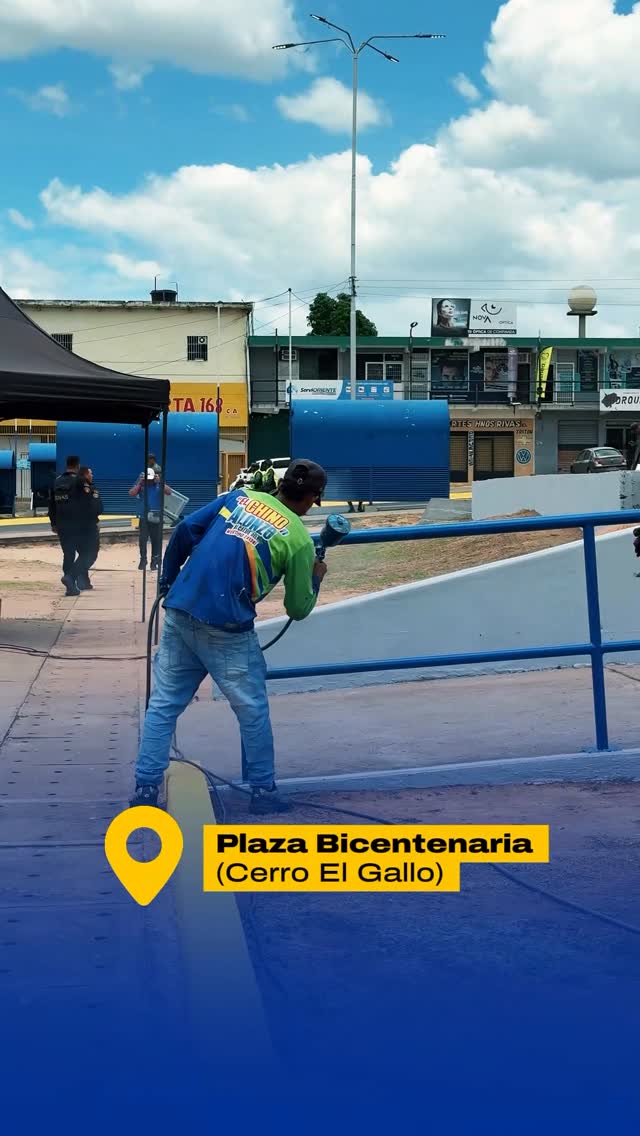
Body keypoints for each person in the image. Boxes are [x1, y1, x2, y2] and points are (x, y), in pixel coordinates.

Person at [129, 457, 329, 814]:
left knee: (163, 705)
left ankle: (145, 788)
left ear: (280, 484)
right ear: (314, 499)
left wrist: (167, 582)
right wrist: (316, 576)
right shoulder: (298, 539)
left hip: (180, 611)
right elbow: (298, 609)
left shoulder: (237, 498)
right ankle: (263, 792)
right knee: (252, 711)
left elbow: (184, 531)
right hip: (227, 631)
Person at [48, 455, 94, 597]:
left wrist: (54, 523)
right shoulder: (80, 481)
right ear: (78, 466)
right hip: (78, 525)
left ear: (66, 465)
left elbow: (51, 504)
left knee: (68, 555)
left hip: (62, 525)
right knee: (87, 554)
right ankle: (70, 578)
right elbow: (88, 503)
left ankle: (71, 587)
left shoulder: (57, 481)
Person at [128, 453, 172, 571]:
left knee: (156, 540)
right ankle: (143, 559)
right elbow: (131, 493)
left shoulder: (158, 483)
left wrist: (159, 482)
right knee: (143, 539)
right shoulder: (142, 483)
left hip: (156, 516)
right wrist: (140, 484)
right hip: (144, 516)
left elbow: (169, 492)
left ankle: (155, 561)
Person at [77, 466, 103, 588]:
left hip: (85, 524)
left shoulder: (91, 488)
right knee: (90, 553)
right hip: (87, 526)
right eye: (90, 473)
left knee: (86, 554)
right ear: (85, 474)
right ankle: (73, 574)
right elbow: (96, 508)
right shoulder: (86, 489)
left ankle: (83, 581)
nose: (92, 475)